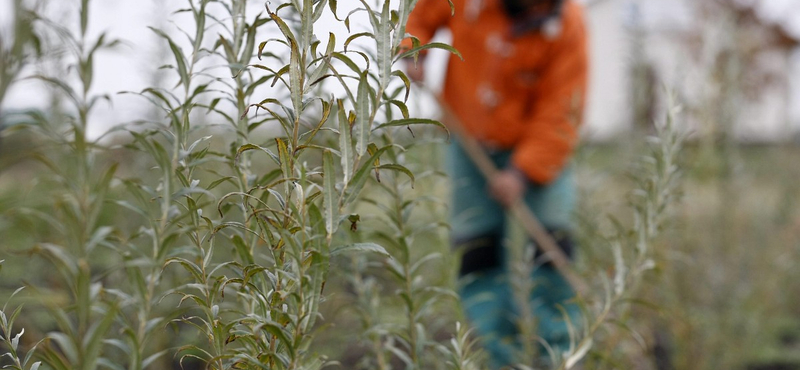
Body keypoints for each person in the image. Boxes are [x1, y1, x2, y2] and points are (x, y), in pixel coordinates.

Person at [403, 0, 588, 368]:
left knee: (551, 250)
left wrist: (523, 172)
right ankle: (500, 358)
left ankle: (562, 357)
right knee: (479, 253)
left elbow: (562, 109)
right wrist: (414, 50)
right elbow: (421, 14)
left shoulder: (568, 25)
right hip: (469, 139)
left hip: (538, 147)